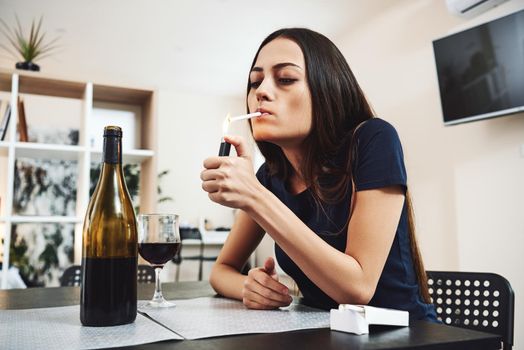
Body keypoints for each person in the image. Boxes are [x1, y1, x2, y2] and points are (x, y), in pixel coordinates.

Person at [201, 28, 437, 321]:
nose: (260, 92)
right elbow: (221, 272)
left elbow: (357, 288)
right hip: (325, 334)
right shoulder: (270, 177)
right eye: (255, 82)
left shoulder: (373, 140)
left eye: (285, 79)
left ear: (328, 89)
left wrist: (255, 197)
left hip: (405, 337)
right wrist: (249, 286)